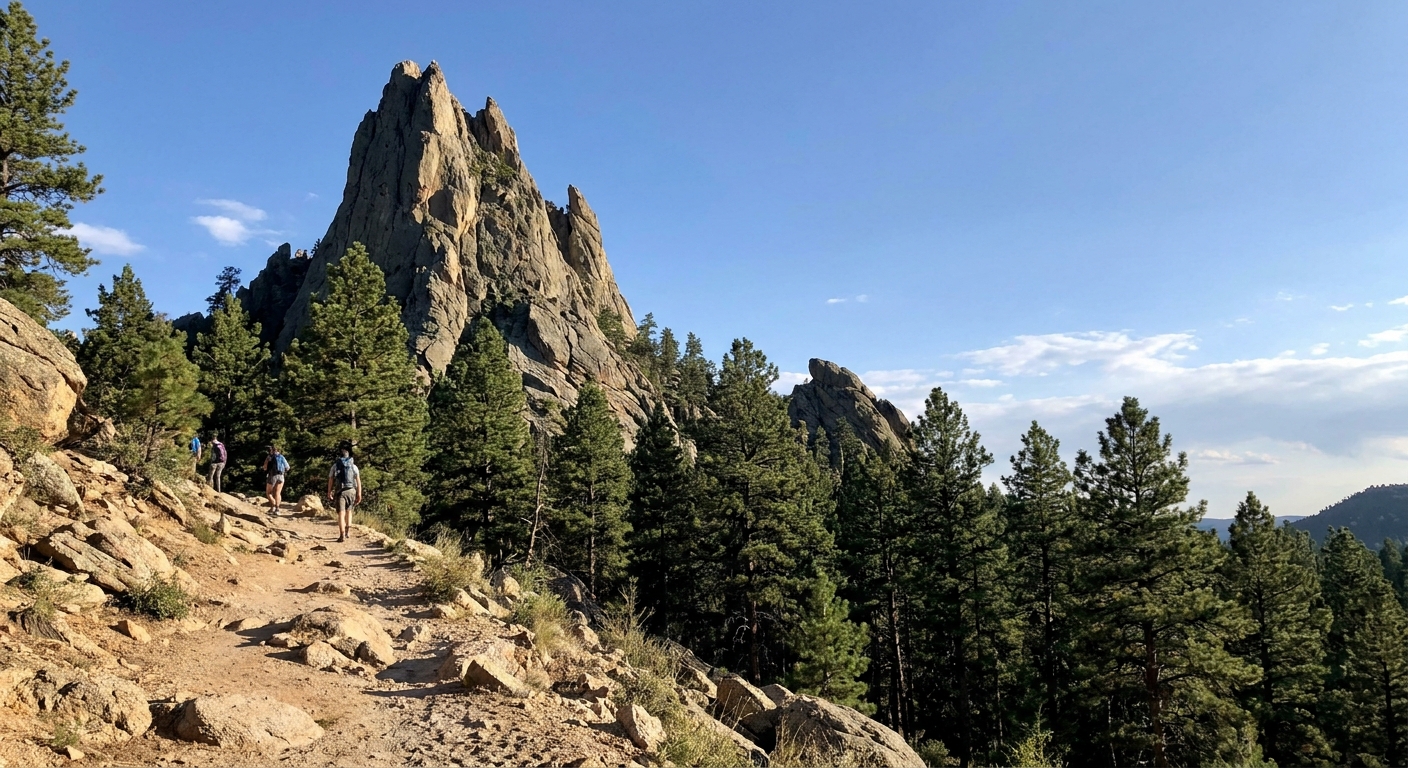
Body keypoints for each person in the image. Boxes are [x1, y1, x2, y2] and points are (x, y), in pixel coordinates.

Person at [327, 443, 361, 543]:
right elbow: (358, 481)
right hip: (351, 490)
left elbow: (331, 479)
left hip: (340, 491)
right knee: (349, 511)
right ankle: (347, 532)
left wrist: (329, 491)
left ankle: (341, 534)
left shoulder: (335, 465)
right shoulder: (354, 466)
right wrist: (359, 494)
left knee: (341, 514)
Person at [262, 445, 289, 513]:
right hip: (281, 476)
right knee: (278, 493)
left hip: (272, 476)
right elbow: (288, 467)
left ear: (271, 450)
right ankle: (277, 509)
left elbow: (265, 467)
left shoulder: (269, 457)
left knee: (269, 493)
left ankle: (273, 505)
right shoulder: (282, 457)